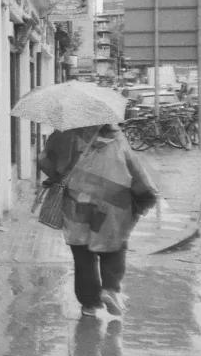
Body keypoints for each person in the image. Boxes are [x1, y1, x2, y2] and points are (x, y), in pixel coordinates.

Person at [39, 123, 159, 317]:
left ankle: (89, 303)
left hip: (77, 202)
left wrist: (57, 177)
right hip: (113, 203)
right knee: (114, 245)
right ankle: (110, 289)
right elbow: (133, 166)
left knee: (82, 252)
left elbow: (44, 160)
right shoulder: (115, 136)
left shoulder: (64, 135)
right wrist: (146, 194)